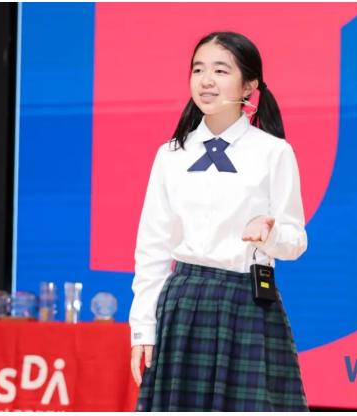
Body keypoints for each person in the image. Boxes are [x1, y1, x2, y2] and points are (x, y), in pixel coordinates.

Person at [128, 31, 309, 412]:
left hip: (247, 301)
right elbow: (153, 249)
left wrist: (270, 233)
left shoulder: (274, 152)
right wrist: (142, 328)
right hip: (182, 302)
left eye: (220, 70)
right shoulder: (170, 155)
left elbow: (295, 240)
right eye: (198, 69)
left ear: (249, 86)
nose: (206, 80)